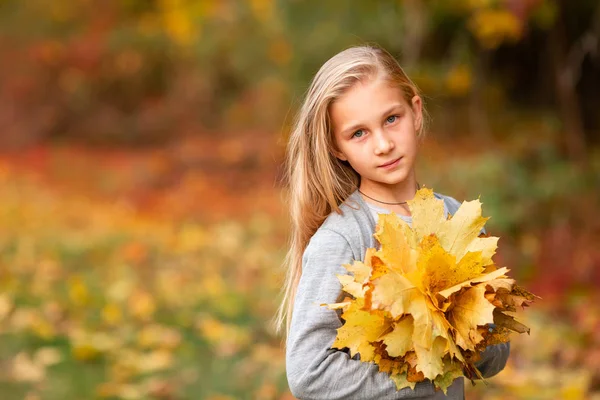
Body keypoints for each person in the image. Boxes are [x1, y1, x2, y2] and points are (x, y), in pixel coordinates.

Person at [273, 45, 510, 400]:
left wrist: (466, 335)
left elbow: (496, 353)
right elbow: (309, 372)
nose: (383, 144)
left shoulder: (456, 219)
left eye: (391, 119)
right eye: (358, 133)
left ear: (415, 111)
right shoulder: (344, 236)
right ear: (337, 147)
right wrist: (416, 371)